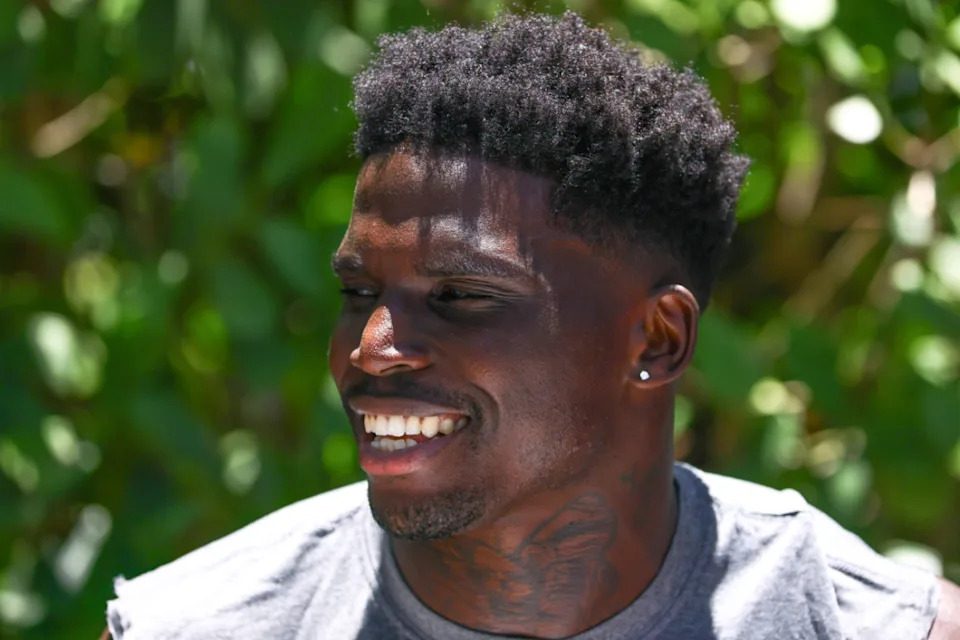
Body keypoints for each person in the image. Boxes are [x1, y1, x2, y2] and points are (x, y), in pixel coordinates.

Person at [101, 12, 960, 640]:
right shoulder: (197, 625)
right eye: (361, 293)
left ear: (657, 340)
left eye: (462, 297)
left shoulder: (864, 624)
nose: (370, 349)